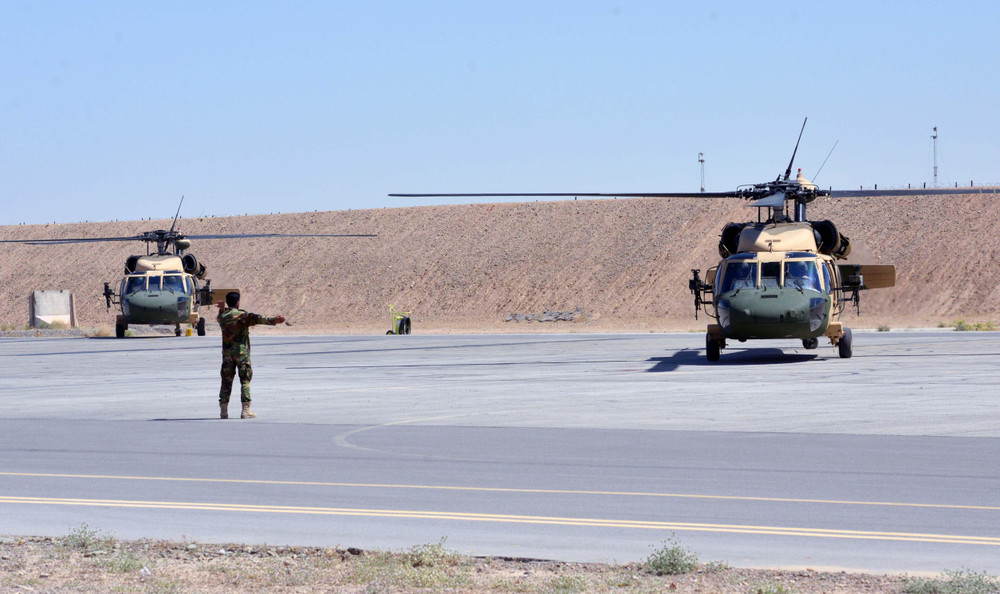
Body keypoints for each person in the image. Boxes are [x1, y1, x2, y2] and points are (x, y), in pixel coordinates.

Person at [216, 292, 285, 419]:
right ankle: (245, 410)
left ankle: (224, 411)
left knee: (226, 381)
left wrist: (222, 309)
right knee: (245, 380)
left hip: (227, 355)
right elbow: (257, 318)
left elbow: (220, 317)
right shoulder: (242, 315)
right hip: (242, 354)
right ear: (238, 302)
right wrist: (273, 320)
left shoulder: (223, 317)